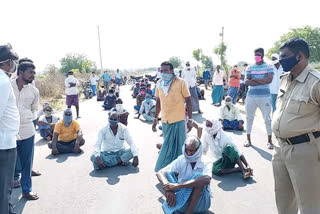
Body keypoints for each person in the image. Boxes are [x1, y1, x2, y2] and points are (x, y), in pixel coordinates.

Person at [271, 37, 320, 214]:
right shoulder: (284, 79)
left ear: (299, 56)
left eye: (284, 56)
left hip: (305, 151)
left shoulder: (316, 82)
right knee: (284, 204)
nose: (281, 60)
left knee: (310, 206)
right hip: (280, 149)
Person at [153, 61, 193, 172]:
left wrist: (190, 119)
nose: (163, 72)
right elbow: (158, 102)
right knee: (167, 146)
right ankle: (165, 170)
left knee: (180, 147)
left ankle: (181, 170)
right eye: (161, 70)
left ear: (172, 71)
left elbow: (189, 101)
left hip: (179, 120)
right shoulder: (159, 83)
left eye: (166, 70)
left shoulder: (181, 82)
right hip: (165, 121)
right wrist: (155, 119)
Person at [156, 136, 212, 214]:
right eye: (187, 150)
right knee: (167, 173)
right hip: (183, 199)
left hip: (200, 203)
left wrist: (179, 186)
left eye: (192, 151)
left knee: (199, 178)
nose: (188, 153)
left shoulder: (206, 161)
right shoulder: (182, 159)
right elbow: (160, 173)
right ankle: (179, 206)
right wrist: (168, 189)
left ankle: (188, 212)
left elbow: (206, 179)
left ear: (198, 150)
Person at [11, 58, 40, 200]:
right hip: (9, 132)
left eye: (34, 72)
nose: (33, 75)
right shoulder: (7, 86)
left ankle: (27, 190)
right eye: (30, 72)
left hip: (27, 131)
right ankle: (6, 195)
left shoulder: (34, 91)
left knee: (27, 162)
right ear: (20, 72)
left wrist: (27, 118)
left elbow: (35, 110)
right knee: (8, 163)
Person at [0, 44, 20, 214]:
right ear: (6, 62)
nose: (15, 65)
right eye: (13, 61)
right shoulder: (2, 82)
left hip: (5, 141)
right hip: (4, 144)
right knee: (3, 191)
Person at [244, 48, 274, 149]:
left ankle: (269, 141)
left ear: (262, 55)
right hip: (251, 96)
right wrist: (261, 80)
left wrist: (255, 79)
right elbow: (246, 82)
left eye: (259, 54)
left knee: (267, 119)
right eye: (255, 54)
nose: (257, 56)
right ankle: (248, 139)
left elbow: (269, 80)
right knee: (249, 118)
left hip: (265, 96)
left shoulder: (269, 66)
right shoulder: (250, 67)